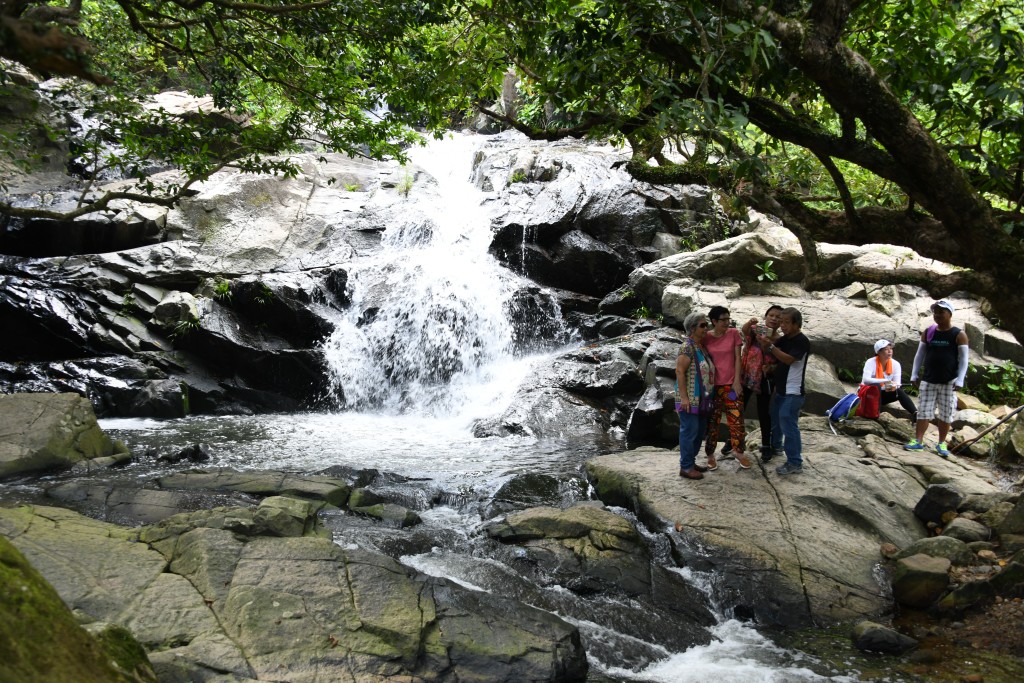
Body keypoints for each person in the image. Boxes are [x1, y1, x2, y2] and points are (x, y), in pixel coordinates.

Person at [904, 299, 969, 458]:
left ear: (949, 314)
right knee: (924, 412)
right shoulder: (929, 331)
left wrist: (960, 379)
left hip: (949, 382)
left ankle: (941, 444)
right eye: (935, 312)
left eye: (941, 312)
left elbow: (964, 359)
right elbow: (920, 354)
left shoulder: (958, 334)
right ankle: (918, 441)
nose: (937, 315)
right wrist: (914, 373)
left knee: (946, 413)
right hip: (929, 379)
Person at [757, 307, 810, 475]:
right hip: (781, 389)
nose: (783, 326)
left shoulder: (802, 341)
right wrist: (771, 365)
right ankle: (776, 447)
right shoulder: (785, 339)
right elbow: (772, 354)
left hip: (793, 391)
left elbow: (788, 359)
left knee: (788, 424)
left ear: (797, 324)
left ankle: (795, 462)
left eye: (787, 322)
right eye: (782, 322)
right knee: (776, 418)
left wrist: (771, 348)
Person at [703, 305, 751, 469]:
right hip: (713, 388)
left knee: (736, 417)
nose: (727, 323)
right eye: (723, 320)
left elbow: (738, 358)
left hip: (731, 387)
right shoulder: (706, 337)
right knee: (712, 421)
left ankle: (739, 452)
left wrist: (737, 381)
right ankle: (710, 454)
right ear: (714, 321)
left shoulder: (733, 334)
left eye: (728, 319)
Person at [675, 311, 715, 480]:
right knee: (689, 432)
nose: (706, 328)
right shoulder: (687, 347)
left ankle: (690, 462)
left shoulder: (701, 346)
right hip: (690, 398)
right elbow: (679, 371)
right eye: (703, 325)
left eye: (707, 325)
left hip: (702, 399)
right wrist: (684, 398)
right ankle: (686, 467)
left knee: (698, 432)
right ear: (692, 328)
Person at [741, 305, 783, 461]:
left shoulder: (780, 340)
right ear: (765, 317)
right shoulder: (756, 329)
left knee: (764, 413)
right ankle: (733, 441)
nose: (774, 318)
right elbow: (744, 332)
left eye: (778, 317)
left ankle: (766, 445)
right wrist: (749, 322)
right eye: (771, 315)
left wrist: (771, 367)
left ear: (782, 322)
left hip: (765, 380)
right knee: (739, 409)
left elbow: (781, 361)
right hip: (746, 376)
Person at [861, 339, 917, 422]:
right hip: (869, 394)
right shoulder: (870, 362)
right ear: (878, 352)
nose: (889, 351)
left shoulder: (896, 364)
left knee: (898, 391)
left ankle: (915, 414)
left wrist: (892, 386)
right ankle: (875, 414)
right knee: (876, 386)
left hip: (883, 394)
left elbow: (897, 383)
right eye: (886, 349)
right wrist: (884, 380)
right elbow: (866, 380)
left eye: (890, 349)